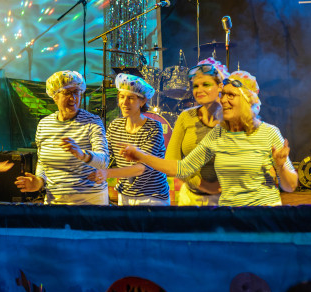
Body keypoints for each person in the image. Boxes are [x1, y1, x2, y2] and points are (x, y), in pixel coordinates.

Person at [121, 70, 298, 206]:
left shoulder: (269, 133)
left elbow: (290, 186)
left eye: (231, 95)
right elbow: (182, 168)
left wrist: (281, 166)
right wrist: (141, 156)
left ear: (248, 100)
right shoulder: (218, 134)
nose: (224, 100)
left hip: (263, 218)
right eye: (223, 94)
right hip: (231, 218)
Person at [14, 70, 109, 205]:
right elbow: (42, 162)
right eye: (67, 93)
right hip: (55, 201)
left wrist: (82, 155)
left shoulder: (92, 122)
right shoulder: (44, 125)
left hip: (90, 202)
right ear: (55, 96)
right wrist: (39, 182)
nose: (73, 98)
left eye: (76, 92)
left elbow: (104, 161)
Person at [88, 73, 169, 205]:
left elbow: (140, 168)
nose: (124, 102)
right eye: (122, 97)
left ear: (142, 101)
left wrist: (107, 173)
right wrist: (83, 155)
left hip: (152, 198)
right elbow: (105, 157)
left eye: (131, 98)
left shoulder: (154, 127)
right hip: (124, 195)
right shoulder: (115, 125)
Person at [165, 57, 227, 206]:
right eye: (195, 86)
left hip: (227, 200)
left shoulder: (232, 118)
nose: (199, 90)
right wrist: (200, 184)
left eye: (206, 84)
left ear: (220, 86)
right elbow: (171, 162)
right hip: (191, 199)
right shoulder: (186, 117)